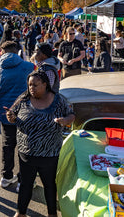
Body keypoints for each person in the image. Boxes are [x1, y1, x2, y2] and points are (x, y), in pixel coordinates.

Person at [6, 71, 75, 217]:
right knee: (25, 184)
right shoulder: (23, 99)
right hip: (27, 153)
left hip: (49, 153)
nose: (31, 88)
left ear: (45, 84)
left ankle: (52, 214)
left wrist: (65, 120)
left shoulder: (58, 100)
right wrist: (11, 117)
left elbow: (71, 114)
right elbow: (12, 114)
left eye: (35, 85)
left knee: (49, 185)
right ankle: (21, 212)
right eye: (30, 84)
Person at [0, 41, 35, 189]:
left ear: (1, 52)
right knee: (26, 146)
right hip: (27, 114)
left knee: (8, 146)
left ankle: (6, 176)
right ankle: (24, 179)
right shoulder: (29, 67)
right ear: (18, 52)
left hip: (6, 113)